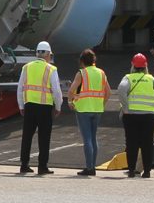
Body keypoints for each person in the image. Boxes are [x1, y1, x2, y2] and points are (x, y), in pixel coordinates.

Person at [18, 40, 62, 175]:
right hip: (45, 108)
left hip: (29, 106)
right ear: (48, 54)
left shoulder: (26, 67)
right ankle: (42, 166)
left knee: (27, 136)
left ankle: (24, 165)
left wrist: (21, 105)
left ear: (37, 53)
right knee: (44, 137)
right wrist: (58, 106)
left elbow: (20, 88)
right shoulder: (51, 69)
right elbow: (56, 90)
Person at [113, 52, 154, 178]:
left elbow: (121, 90)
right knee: (147, 143)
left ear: (132, 65)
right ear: (145, 66)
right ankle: (147, 171)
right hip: (149, 115)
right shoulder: (151, 79)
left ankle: (132, 171)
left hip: (131, 115)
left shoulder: (128, 78)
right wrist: (151, 105)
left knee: (131, 143)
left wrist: (126, 107)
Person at [67, 49, 110, 177]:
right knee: (93, 137)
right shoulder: (101, 73)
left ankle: (89, 167)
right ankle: (93, 166)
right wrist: (101, 104)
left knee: (87, 139)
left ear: (81, 61)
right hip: (97, 109)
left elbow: (71, 91)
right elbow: (108, 93)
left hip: (84, 109)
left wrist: (71, 102)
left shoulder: (81, 73)